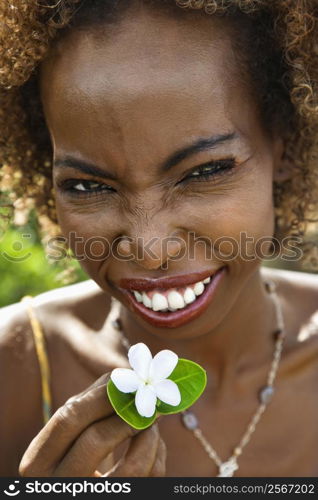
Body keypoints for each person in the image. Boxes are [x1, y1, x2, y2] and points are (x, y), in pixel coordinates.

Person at [0, 0, 317, 477]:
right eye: (88, 186)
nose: (149, 250)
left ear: (285, 143)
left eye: (205, 171)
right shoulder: (16, 372)